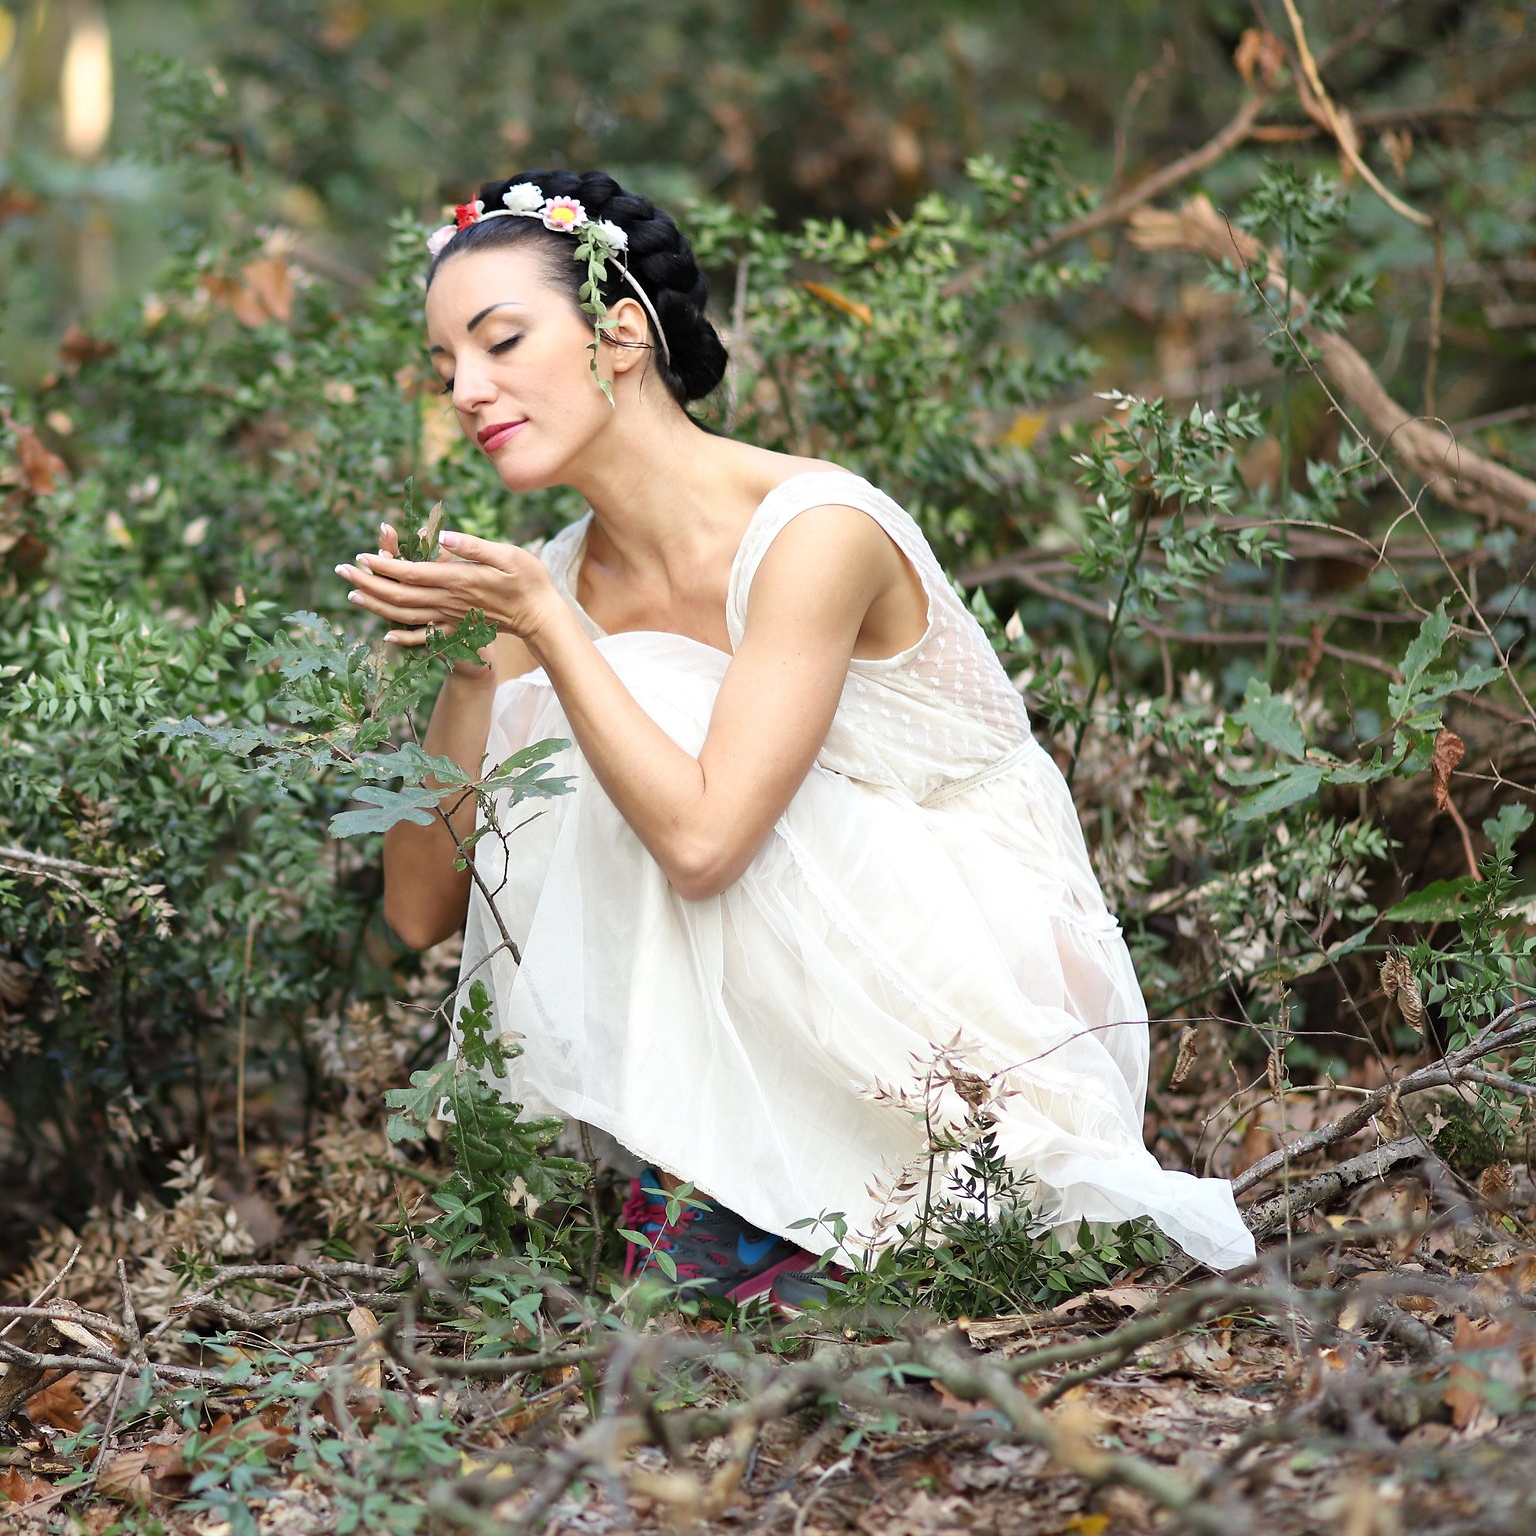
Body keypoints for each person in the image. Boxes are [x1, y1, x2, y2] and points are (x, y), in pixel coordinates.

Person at [336, 169, 1255, 1306]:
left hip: (984, 989)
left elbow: (705, 844)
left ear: (621, 335)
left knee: (631, 691)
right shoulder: (552, 584)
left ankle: (788, 1205)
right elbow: (420, 910)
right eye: (446, 368)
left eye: (502, 342)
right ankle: (717, 1191)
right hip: (826, 957)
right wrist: (477, 669)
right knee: (581, 704)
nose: (468, 392)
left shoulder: (814, 530)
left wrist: (547, 630)